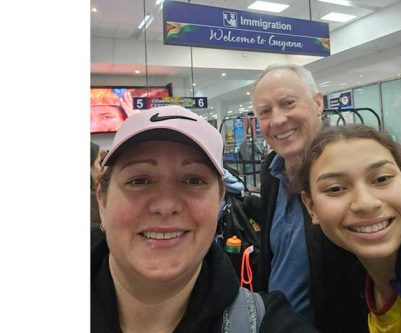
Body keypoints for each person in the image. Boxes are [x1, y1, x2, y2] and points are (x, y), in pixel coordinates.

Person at [91, 105, 318, 333]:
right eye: (139, 181)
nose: (166, 206)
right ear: (102, 199)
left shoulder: (269, 324)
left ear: (220, 198)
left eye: (193, 180)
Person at [251, 63, 369, 332]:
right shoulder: (271, 171)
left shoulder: (351, 172)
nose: (278, 120)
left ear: (318, 103)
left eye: (288, 103)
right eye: (265, 112)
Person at [297, 125, 401, 332]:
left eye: (382, 179)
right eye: (335, 189)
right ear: (311, 207)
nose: (365, 203)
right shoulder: (339, 284)